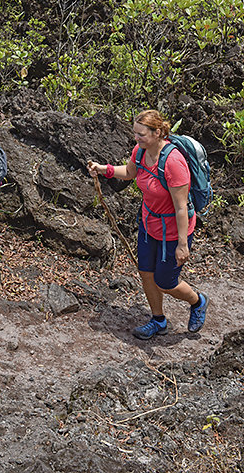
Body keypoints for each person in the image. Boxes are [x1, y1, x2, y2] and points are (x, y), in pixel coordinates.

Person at [88, 109, 208, 339]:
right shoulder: (140, 152)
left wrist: (183, 245)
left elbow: (181, 207)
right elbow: (130, 172)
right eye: (135, 133)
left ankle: (197, 301)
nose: (136, 138)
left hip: (173, 231)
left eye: (141, 134)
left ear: (158, 133)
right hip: (148, 223)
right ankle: (158, 320)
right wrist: (105, 170)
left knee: (166, 282)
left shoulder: (173, 163)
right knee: (146, 274)